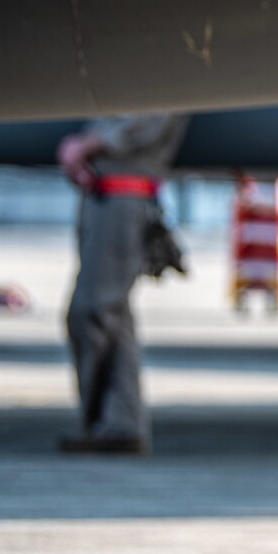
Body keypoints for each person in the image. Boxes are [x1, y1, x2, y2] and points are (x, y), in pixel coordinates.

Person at [55, 114, 190, 454]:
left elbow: (158, 109)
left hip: (125, 193)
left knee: (94, 310)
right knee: (111, 313)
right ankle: (116, 425)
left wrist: (90, 143)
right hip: (104, 191)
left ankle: (116, 424)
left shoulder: (161, 65)